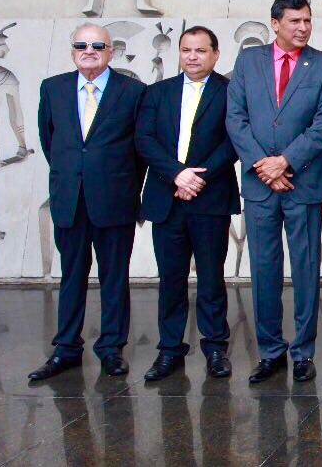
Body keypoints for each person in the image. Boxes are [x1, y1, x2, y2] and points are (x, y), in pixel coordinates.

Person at [226, 0, 322, 383]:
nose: (303, 28)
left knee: (306, 267)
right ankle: (270, 350)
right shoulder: (248, 61)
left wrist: (285, 162)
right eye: (295, 21)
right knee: (264, 269)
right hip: (260, 185)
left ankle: (303, 352)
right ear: (275, 24)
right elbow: (236, 117)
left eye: (307, 20)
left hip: (302, 183)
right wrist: (264, 166)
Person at [30, 23, 146, 380]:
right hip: (70, 199)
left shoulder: (132, 91)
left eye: (98, 45)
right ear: (72, 51)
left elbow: (140, 148)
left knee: (114, 277)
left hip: (114, 199)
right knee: (72, 276)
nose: (89, 50)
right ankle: (66, 348)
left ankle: (111, 348)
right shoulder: (54, 89)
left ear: (112, 51)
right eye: (81, 44)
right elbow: (51, 142)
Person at [135, 26, 240, 381]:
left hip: (210, 199)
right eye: (186, 50)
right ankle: (169, 349)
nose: (192, 56)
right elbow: (144, 140)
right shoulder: (157, 93)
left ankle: (214, 347)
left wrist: (198, 178)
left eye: (200, 50)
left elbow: (234, 141)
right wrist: (177, 175)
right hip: (167, 197)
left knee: (211, 277)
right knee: (171, 278)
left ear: (215, 54)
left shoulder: (230, 93)